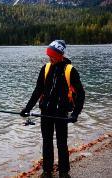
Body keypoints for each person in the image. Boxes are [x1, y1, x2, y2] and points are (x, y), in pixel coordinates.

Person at [20, 40, 85, 178]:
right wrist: (27, 108)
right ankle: (47, 171)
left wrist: (75, 114)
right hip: (46, 112)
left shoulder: (70, 71)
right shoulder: (45, 68)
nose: (51, 58)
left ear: (61, 55)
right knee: (47, 142)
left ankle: (64, 172)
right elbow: (37, 90)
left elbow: (81, 94)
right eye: (49, 55)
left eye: (53, 56)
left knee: (62, 143)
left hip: (61, 113)